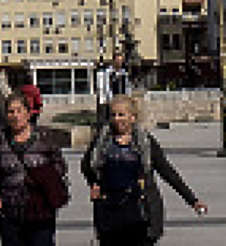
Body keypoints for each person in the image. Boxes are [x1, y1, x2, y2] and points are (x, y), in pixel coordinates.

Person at [78, 95, 205, 246]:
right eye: (113, 115)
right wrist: (93, 184)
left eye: (121, 115)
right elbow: (86, 166)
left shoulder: (145, 142)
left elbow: (166, 171)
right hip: (110, 210)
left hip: (141, 210)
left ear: (132, 117)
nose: (117, 119)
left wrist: (192, 200)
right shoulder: (101, 141)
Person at [0, 91, 69, 246]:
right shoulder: (0, 138)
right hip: (9, 210)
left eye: (19, 111)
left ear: (28, 113)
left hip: (40, 208)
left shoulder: (44, 136)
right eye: (11, 112)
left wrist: (41, 175)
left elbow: (60, 166)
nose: (15, 116)